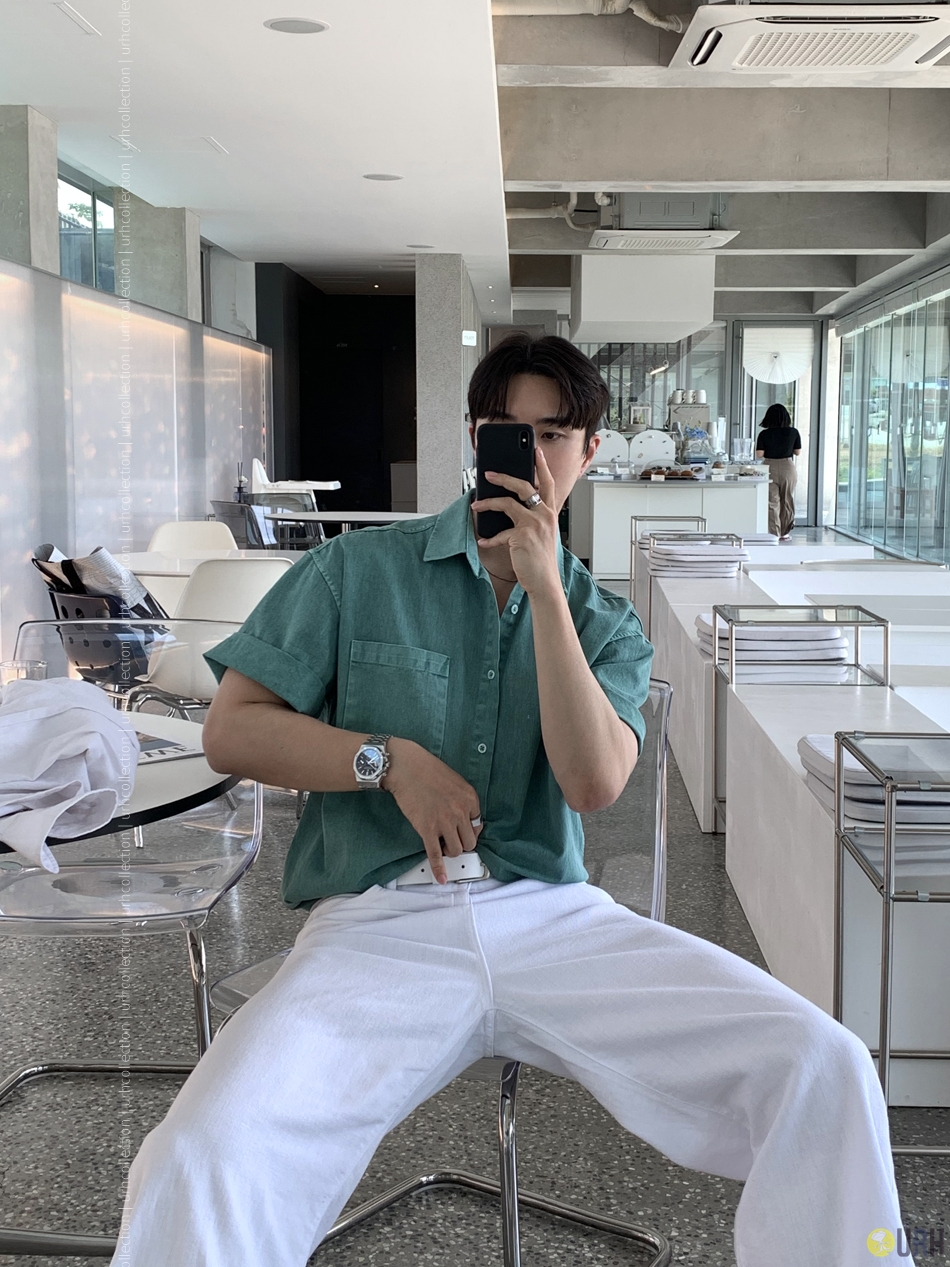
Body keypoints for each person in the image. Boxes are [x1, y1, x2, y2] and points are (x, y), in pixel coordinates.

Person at [111, 335, 907, 1267]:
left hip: (552, 917)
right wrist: (387, 760)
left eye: (554, 434)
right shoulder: (356, 571)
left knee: (825, 1064)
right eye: (507, 431)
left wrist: (546, 591)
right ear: (475, 437)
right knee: (200, 1154)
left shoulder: (606, 623)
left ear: (590, 451)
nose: (531, 456)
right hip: (377, 924)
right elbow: (232, 730)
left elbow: (593, 784)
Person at [755, 403, 802, 540]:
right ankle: (784, 532)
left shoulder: (764, 434)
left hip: (769, 467)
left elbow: (759, 454)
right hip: (787, 467)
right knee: (787, 499)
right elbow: (797, 452)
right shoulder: (793, 432)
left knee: (772, 501)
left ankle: (774, 533)